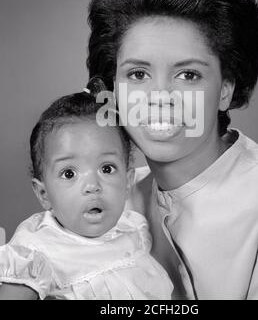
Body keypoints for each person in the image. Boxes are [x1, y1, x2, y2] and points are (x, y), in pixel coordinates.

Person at [86, 0, 258, 299]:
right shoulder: (109, 196)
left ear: (226, 91)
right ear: (113, 90)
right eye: (138, 73)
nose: (160, 97)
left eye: (188, 75)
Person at [0, 78, 173, 300]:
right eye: (69, 174)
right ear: (44, 194)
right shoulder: (36, 251)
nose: (92, 186)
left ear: (128, 181)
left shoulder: (133, 229)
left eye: (107, 168)